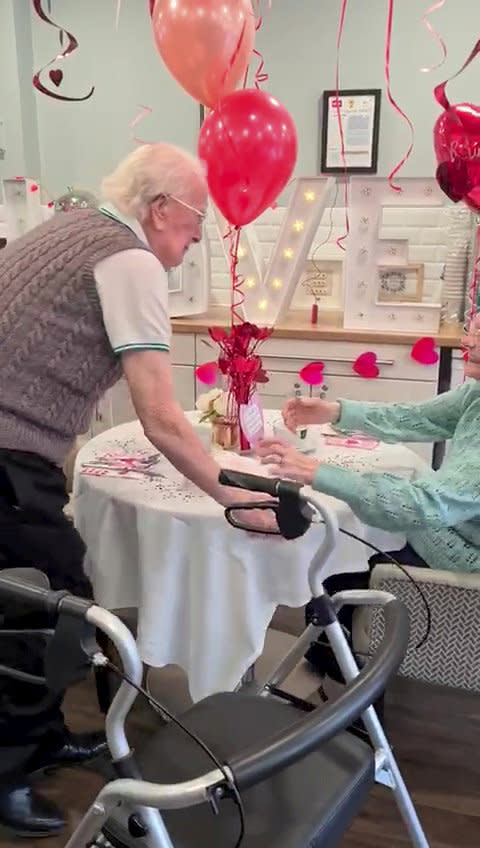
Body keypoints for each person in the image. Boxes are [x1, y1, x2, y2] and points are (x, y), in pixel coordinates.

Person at [0, 142, 272, 837]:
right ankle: (8, 769)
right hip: (6, 451)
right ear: (159, 211)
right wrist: (234, 496)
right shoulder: (130, 259)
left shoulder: (67, 227)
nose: (191, 242)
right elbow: (160, 418)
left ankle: (44, 736)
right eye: (192, 225)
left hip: (14, 444)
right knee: (46, 609)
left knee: (36, 600)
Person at [257, 315, 480, 679]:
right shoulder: (476, 394)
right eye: (471, 328)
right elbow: (415, 418)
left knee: (347, 549)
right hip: (453, 528)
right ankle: (328, 660)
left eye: (478, 333)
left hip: (466, 561)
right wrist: (336, 412)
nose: (465, 341)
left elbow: (424, 506)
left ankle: (350, 690)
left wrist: (317, 473)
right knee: (356, 523)